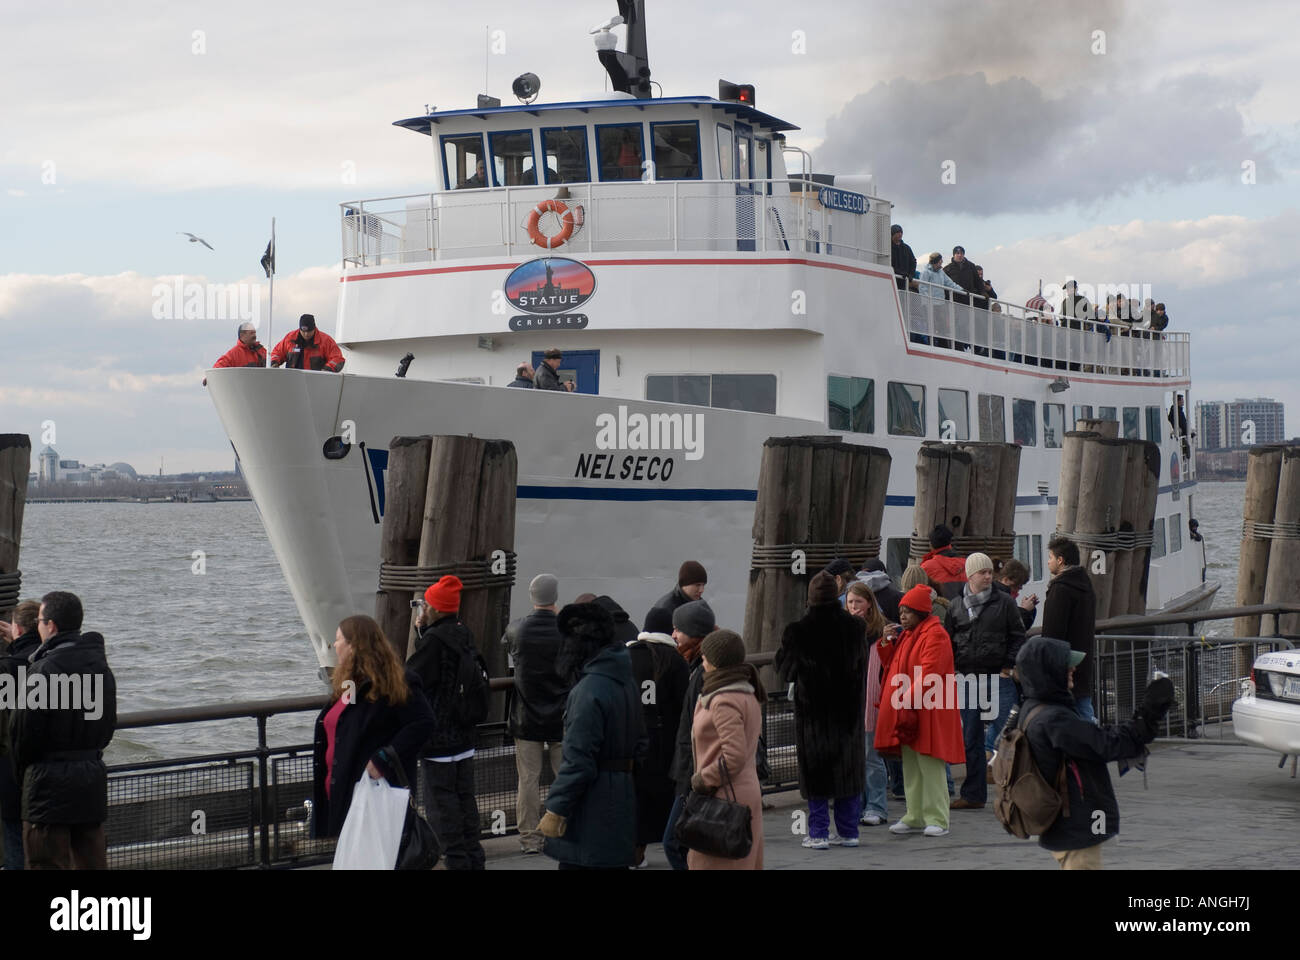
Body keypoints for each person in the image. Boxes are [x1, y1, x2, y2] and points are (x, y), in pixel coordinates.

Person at [1014, 636, 1174, 869]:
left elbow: (1092, 739)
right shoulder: (1054, 719)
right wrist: (1147, 715)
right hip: (1074, 824)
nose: (1073, 668)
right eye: (1065, 664)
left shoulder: (1033, 707)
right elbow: (1106, 744)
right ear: (1049, 671)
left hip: (1062, 823)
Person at [10, 591, 117, 869]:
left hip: (47, 785)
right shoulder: (100, 667)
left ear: (52, 626)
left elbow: (23, 734)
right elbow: (107, 727)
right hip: (90, 779)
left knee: (46, 862)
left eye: (41, 621)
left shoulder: (43, 670)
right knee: (91, 861)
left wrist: (25, 778)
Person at [538, 602, 646, 869]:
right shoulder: (626, 682)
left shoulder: (588, 690)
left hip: (591, 807)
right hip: (621, 799)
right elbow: (642, 744)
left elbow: (578, 760)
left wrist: (557, 808)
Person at [310, 615, 435, 840]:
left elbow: (423, 723)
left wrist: (384, 758)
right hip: (343, 790)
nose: (334, 645)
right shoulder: (349, 683)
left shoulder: (396, 681)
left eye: (338, 640)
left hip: (373, 792)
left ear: (354, 646)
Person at [775, 572, 868, 849]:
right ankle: (849, 831)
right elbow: (861, 666)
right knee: (847, 770)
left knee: (816, 774)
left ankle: (818, 833)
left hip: (813, 715)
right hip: (847, 712)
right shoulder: (855, 629)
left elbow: (786, 670)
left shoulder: (797, 631)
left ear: (811, 598)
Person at [407, 575, 486, 870]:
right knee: (465, 801)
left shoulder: (434, 643)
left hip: (439, 740)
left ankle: (457, 862)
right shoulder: (463, 633)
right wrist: (422, 634)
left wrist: (422, 637)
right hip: (464, 736)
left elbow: (413, 678)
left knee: (442, 807)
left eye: (425, 604)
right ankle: (474, 860)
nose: (422, 609)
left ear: (435, 609)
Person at [875, 585, 964, 837]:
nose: (902, 616)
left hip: (928, 709)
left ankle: (937, 818)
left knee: (930, 764)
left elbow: (930, 672)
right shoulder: (909, 634)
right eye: (901, 611)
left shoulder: (935, 635)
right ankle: (914, 815)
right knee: (912, 765)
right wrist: (885, 642)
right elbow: (893, 664)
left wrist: (904, 699)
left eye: (908, 611)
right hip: (911, 709)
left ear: (921, 612)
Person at [943, 553, 1026, 810]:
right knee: (971, 738)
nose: (988, 576)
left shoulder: (1004, 603)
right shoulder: (955, 606)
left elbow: (1018, 636)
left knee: (1008, 733)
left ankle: (1015, 791)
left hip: (996, 677)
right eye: (983, 572)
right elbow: (949, 640)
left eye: (990, 572)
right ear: (970, 575)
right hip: (967, 678)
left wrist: (1007, 666)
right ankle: (974, 794)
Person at [686, 629, 765, 870]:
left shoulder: (723, 699)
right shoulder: (744, 693)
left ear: (717, 661)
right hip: (742, 792)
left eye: (705, 656)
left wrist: (703, 779)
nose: (703, 661)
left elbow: (734, 756)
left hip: (724, 796)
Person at [504, 573, 569, 855]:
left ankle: (530, 838)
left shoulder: (517, 629)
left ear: (532, 597)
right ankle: (563, 831)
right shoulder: (567, 632)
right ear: (555, 597)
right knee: (564, 776)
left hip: (526, 716)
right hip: (562, 715)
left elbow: (507, 644)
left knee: (528, 780)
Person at [626, 605, 689, 867]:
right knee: (666, 796)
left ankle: (634, 851)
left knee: (635, 796)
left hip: (633, 738)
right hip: (665, 741)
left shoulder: (627, 655)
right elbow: (682, 705)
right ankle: (673, 845)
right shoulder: (674, 660)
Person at [662, 598, 715, 870]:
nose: (673, 635)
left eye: (677, 629)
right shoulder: (697, 665)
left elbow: (703, 731)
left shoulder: (703, 672)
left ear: (693, 633)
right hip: (693, 771)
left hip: (695, 774)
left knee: (674, 842)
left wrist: (692, 776)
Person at [0, 600, 41, 869]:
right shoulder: (53, 662)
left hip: (12, 772)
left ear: (17, 628)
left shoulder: (7, 668)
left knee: (15, 841)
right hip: (50, 776)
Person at [1041, 535, 1098, 723]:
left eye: (1050, 557)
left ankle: (1088, 747)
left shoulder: (1060, 589)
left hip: (1064, 665)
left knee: (1072, 712)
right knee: (1083, 707)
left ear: (1060, 560)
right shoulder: (1085, 585)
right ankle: (1092, 743)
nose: (1048, 562)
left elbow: (1052, 632)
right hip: (1083, 659)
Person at [846, 582, 889, 826]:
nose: (854, 607)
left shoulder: (880, 632)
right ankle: (860, 804)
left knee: (871, 757)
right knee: (856, 757)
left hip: (872, 699)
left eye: (858, 602)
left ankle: (877, 806)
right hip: (851, 699)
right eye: (850, 602)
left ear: (869, 603)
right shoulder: (844, 631)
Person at [270, 314, 345, 372]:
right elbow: (277, 352)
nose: (306, 334)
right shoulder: (290, 338)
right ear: (300, 328)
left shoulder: (326, 341)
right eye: (303, 331)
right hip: (291, 382)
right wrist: (274, 363)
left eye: (309, 331)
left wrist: (326, 370)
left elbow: (338, 358)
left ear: (314, 328)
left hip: (316, 383)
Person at [920, 524, 967, 600]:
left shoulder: (926, 567)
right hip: (963, 610)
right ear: (949, 543)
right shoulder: (967, 564)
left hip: (939, 610)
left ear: (931, 544)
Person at [890, 224, 917, 292]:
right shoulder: (888, 248)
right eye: (897, 232)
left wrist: (911, 274)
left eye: (901, 232)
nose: (900, 234)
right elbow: (888, 264)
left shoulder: (906, 248)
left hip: (904, 282)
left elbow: (913, 262)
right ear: (892, 234)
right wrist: (900, 273)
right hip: (892, 280)